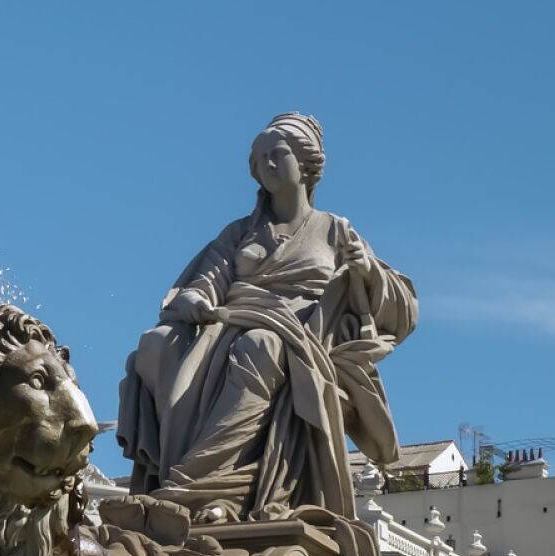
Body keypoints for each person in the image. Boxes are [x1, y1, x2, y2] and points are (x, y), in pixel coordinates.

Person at [118, 112, 417, 523]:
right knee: (155, 344)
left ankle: (199, 485)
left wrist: (365, 270)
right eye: (259, 158)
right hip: (229, 322)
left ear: (307, 164)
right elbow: (206, 280)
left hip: (300, 336)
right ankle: (177, 474)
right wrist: (196, 299)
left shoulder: (334, 230)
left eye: (277, 154)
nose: (268, 164)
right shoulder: (239, 232)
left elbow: (402, 308)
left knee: (259, 344)